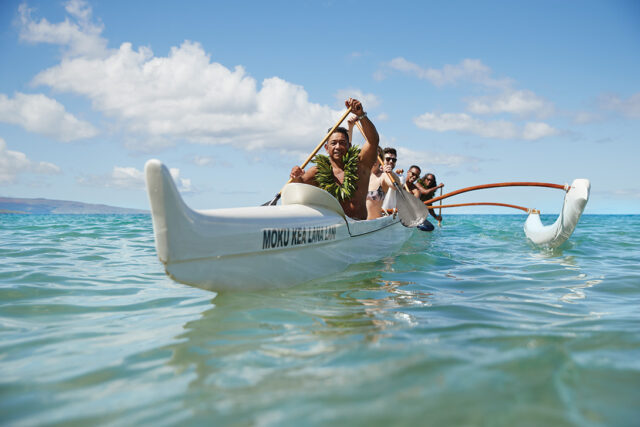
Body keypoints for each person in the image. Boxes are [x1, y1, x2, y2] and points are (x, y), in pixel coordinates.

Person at [290, 98, 380, 220]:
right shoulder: (317, 171)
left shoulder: (361, 164)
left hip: (359, 228)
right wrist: (296, 177)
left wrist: (361, 115)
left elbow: (373, 141)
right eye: (334, 143)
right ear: (326, 148)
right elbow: (298, 189)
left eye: (342, 143)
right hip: (333, 229)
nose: (338, 147)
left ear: (349, 145)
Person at [366, 147, 401, 219]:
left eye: (377, 157)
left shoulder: (383, 176)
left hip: (375, 225)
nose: (374, 159)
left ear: (381, 160)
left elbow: (396, 186)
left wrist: (391, 173)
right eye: (371, 156)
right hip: (357, 223)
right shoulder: (359, 175)